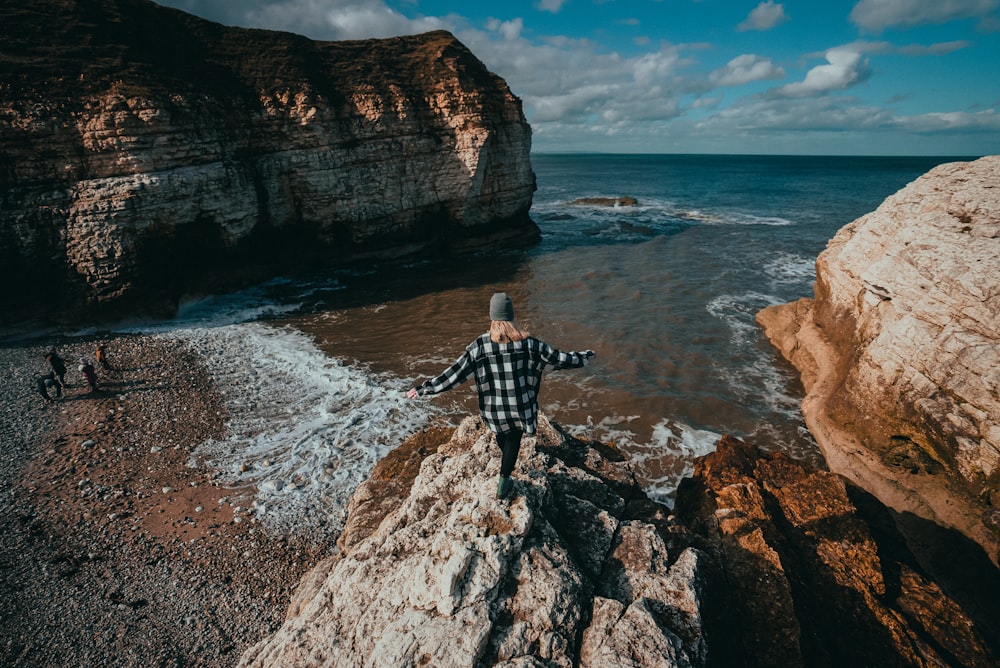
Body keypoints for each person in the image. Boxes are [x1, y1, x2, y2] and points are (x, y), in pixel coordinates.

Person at [407, 292, 595, 499]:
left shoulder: (479, 346)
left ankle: (506, 471)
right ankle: (504, 481)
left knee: (503, 436)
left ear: (492, 317)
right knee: (514, 439)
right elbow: (560, 359)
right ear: (511, 315)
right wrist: (584, 356)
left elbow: (454, 375)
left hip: (493, 410)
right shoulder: (529, 344)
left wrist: (424, 388)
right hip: (520, 407)